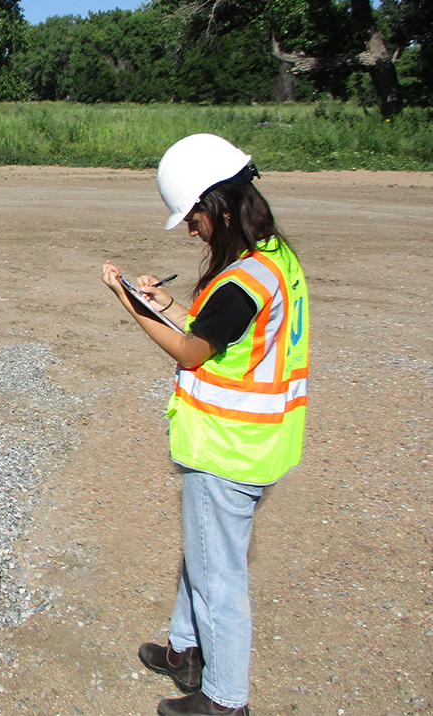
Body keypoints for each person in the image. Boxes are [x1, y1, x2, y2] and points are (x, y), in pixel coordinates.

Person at [100, 133, 309, 716]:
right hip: (250, 443)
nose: (191, 229)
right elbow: (219, 334)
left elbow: (193, 353)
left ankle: (224, 701)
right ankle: (186, 651)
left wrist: (128, 305)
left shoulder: (244, 279)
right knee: (204, 554)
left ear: (216, 204)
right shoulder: (270, 262)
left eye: (192, 215)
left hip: (229, 448)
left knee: (220, 575)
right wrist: (164, 307)